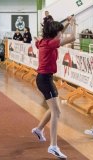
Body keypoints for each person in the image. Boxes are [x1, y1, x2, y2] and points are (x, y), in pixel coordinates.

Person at [31, 16, 76, 159]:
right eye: (59, 33)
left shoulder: (43, 42)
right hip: (45, 79)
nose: (61, 34)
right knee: (56, 112)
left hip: (45, 78)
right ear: (55, 33)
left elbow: (39, 41)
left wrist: (67, 23)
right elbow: (73, 37)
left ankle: (38, 130)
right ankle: (53, 146)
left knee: (54, 109)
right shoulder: (50, 43)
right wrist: (74, 23)